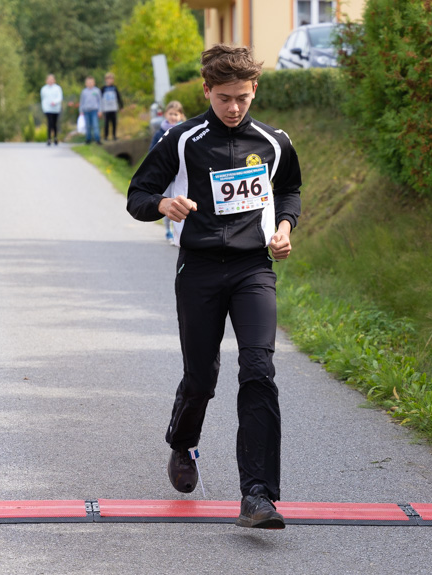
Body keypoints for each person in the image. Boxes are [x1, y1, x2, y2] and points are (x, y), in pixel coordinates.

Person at [126, 45, 302, 530]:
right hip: (199, 269)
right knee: (201, 377)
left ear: (254, 90)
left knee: (259, 370)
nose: (234, 108)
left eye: (242, 98)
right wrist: (164, 205)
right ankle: (182, 443)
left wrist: (285, 226)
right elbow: (137, 195)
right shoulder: (182, 139)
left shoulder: (274, 141)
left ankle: (258, 495)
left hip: (252, 269)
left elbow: (289, 189)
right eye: (224, 98)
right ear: (206, 91)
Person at [149, 101, 186, 245]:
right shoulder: (160, 132)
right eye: (170, 114)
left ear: (181, 115)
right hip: (167, 177)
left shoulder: (185, 131)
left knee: (182, 204)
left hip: (181, 176)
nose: (173, 117)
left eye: (176, 114)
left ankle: (181, 233)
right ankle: (168, 231)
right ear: (166, 115)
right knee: (169, 203)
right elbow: (152, 152)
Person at [79, 76, 103, 145]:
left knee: (95, 125)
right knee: (88, 126)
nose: (90, 84)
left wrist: (100, 110)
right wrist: (81, 111)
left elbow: (100, 101)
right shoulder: (84, 92)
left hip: (94, 111)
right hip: (86, 111)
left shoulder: (97, 91)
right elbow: (82, 102)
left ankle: (97, 139)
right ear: (86, 84)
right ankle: (88, 139)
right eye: (88, 83)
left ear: (94, 83)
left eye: (91, 82)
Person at [40, 74, 63, 146]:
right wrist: (44, 108)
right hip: (47, 109)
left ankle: (55, 137)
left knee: (54, 124)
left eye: (51, 79)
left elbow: (60, 97)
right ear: (46, 80)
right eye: (48, 79)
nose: (50, 81)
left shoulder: (57, 88)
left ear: (54, 80)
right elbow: (43, 99)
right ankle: (49, 138)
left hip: (55, 109)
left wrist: (55, 102)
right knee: (49, 123)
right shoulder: (44, 89)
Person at [101, 72, 124, 141]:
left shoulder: (114, 88)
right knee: (106, 123)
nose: (110, 80)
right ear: (106, 80)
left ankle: (114, 136)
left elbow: (118, 97)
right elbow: (99, 99)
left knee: (114, 123)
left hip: (113, 108)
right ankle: (106, 137)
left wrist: (121, 106)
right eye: (108, 79)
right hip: (106, 109)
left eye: (111, 79)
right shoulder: (103, 88)